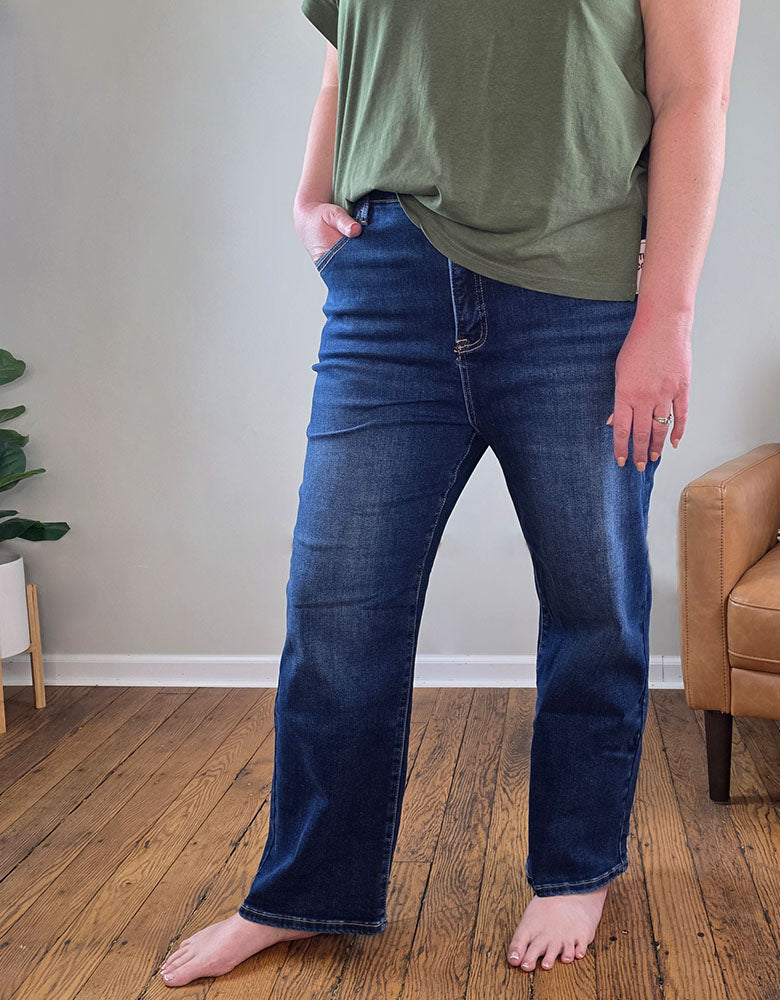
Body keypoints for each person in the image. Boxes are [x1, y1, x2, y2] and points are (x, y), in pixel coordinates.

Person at [159, 0, 739, 987]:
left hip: (579, 295)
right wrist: (309, 197)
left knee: (593, 600)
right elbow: (350, 59)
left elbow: (692, 94)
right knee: (336, 604)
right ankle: (305, 890)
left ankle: (576, 870)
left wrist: (666, 317)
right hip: (387, 283)